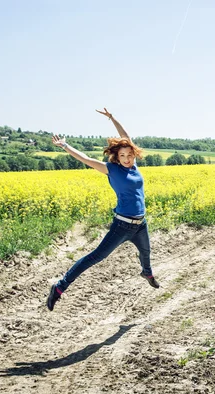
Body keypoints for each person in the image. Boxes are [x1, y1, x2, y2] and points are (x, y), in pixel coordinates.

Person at [47, 108, 159, 312]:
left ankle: (147, 273)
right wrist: (65, 146)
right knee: (96, 257)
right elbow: (86, 160)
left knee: (145, 252)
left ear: (134, 154)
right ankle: (60, 287)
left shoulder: (134, 168)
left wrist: (113, 118)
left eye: (129, 154)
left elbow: (126, 138)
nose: (126, 158)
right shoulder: (112, 169)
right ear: (117, 157)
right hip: (122, 225)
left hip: (140, 224)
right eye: (122, 155)